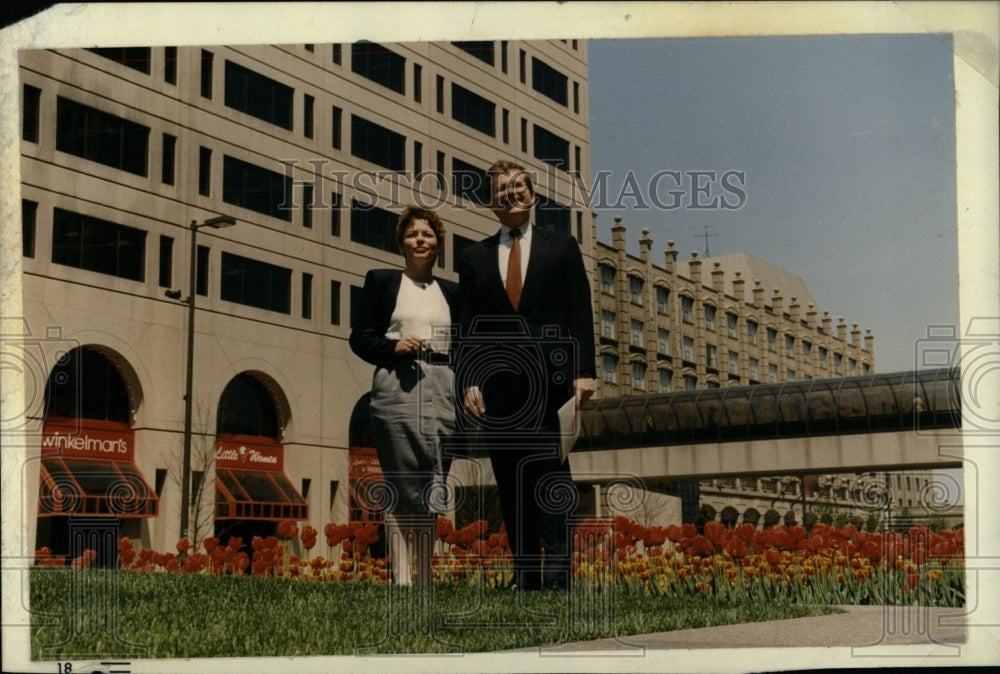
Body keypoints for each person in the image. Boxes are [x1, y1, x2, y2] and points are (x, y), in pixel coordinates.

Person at [455, 160, 596, 591]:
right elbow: (466, 328)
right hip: (501, 390)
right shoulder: (474, 257)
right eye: (501, 190)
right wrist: (468, 380)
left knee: (549, 478)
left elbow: (580, 313)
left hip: (552, 387)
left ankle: (557, 577)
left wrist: (585, 372)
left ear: (532, 195)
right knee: (513, 481)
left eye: (518, 187)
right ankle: (525, 576)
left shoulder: (562, 247)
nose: (511, 195)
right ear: (489, 202)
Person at [349, 205, 458, 586]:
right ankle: (401, 576)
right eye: (413, 234)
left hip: (443, 387)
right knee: (400, 480)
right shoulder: (381, 281)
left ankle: (425, 574)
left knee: (433, 482)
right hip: (397, 385)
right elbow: (360, 337)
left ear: (438, 244)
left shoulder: (452, 292)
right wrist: (392, 347)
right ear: (401, 243)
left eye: (427, 235)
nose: (420, 240)